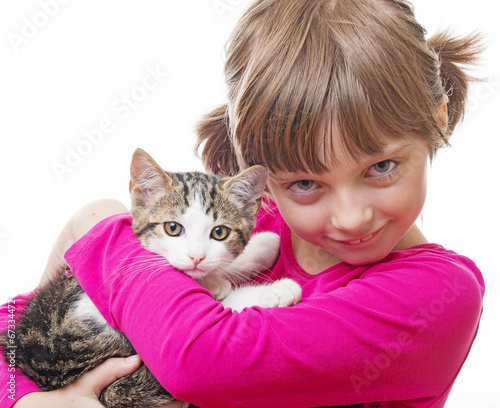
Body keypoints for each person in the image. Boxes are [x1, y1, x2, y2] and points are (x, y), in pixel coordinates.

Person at [1, 0, 485, 407]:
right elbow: (11, 328)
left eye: (381, 168)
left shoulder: (435, 297)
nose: (351, 217)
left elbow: (199, 359)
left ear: (437, 118)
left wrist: (97, 224)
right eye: (305, 183)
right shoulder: (237, 223)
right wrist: (29, 399)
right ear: (261, 173)